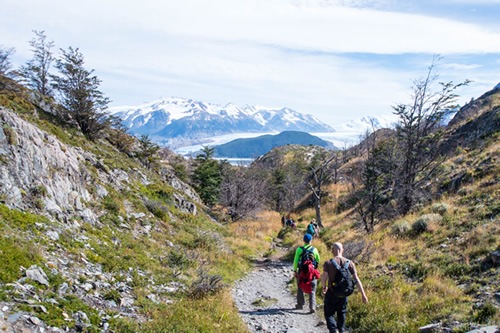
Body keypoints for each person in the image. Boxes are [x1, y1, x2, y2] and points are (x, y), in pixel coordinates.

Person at [321, 242, 368, 333]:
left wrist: (324, 287)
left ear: (333, 250)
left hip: (331, 293)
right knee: (342, 312)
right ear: (342, 250)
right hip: (344, 293)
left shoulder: (328, 263)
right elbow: (356, 279)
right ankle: (341, 330)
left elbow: (324, 277)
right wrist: (363, 294)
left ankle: (333, 329)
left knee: (329, 314)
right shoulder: (350, 263)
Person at [293, 233, 320, 313]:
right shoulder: (314, 250)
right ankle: (312, 307)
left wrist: (295, 270)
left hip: (302, 272)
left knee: (300, 287)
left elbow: (295, 261)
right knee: (312, 289)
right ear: (310, 241)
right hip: (312, 272)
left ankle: (300, 304)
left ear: (303, 240)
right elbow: (318, 260)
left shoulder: (299, 249)